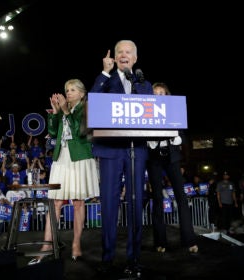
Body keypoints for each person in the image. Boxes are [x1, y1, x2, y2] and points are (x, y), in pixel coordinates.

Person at [90, 40, 153, 273]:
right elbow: (93, 101)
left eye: (128, 52)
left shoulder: (144, 84)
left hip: (137, 150)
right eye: (120, 52)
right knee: (109, 204)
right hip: (110, 149)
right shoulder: (106, 80)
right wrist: (104, 72)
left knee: (136, 202)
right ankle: (107, 258)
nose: (124, 55)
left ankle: (133, 257)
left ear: (135, 59)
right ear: (114, 57)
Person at [28, 79, 100, 265]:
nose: (68, 93)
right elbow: (53, 132)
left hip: (80, 158)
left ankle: (76, 244)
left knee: (77, 202)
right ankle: (47, 245)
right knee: (56, 202)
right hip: (62, 158)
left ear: (82, 94)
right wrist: (55, 112)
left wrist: (66, 112)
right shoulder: (64, 109)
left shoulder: (86, 108)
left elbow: (80, 131)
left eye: (73, 90)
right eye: (67, 90)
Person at [147, 82, 198, 255]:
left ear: (167, 95)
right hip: (154, 159)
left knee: (181, 197)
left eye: (162, 93)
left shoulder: (174, 110)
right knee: (157, 199)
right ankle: (160, 242)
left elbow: (181, 136)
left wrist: (175, 136)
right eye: (155, 93)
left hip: (173, 157)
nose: (159, 95)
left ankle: (190, 240)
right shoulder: (145, 111)